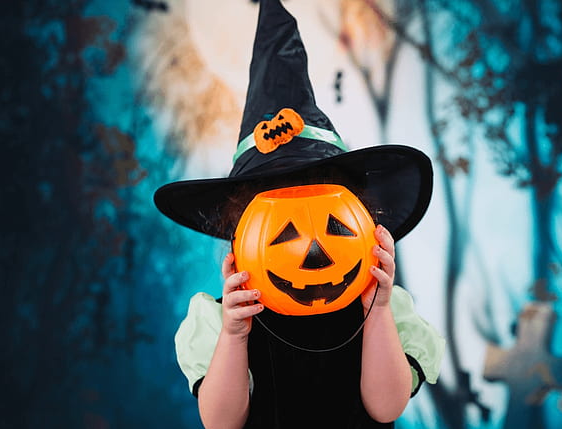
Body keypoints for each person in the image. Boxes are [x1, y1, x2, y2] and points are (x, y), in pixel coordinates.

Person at [153, 1, 445, 427]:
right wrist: (235, 335)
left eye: (335, 226)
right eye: (281, 233)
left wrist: (379, 311)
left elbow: (387, 407)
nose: (313, 251)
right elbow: (221, 422)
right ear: (243, 233)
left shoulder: (381, 309)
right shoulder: (222, 319)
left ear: (361, 220)